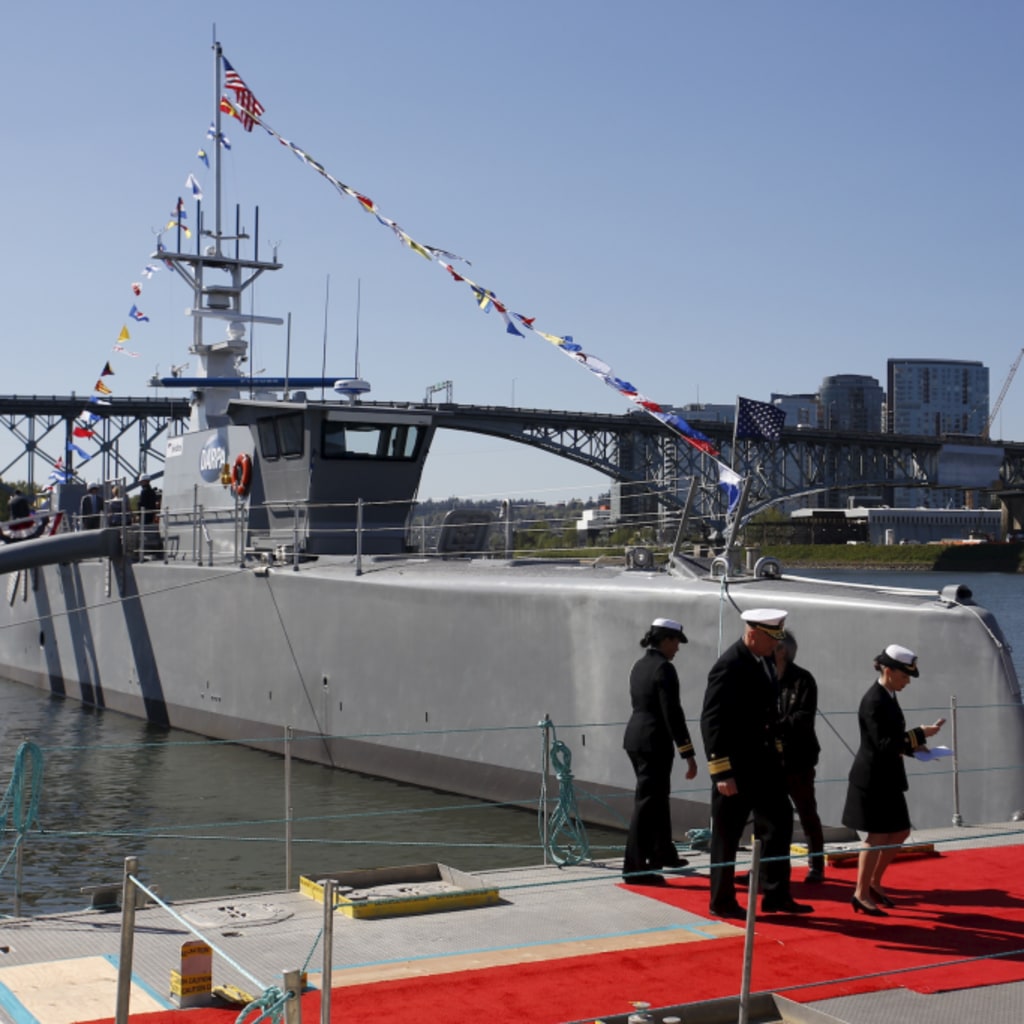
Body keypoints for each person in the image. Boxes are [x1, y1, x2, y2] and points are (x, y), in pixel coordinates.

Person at [700, 608, 813, 919]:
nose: (776, 646)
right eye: (771, 639)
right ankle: (722, 901)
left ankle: (776, 893)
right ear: (752, 634)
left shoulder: (763, 660)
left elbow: (768, 714)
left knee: (779, 824)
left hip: (764, 765)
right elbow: (712, 721)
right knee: (727, 836)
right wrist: (721, 772)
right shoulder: (729, 666)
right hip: (735, 767)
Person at [842, 644, 945, 916]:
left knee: (900, 831)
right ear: (888, 670)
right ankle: (860, 893)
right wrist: (918, 734)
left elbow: (893, 739)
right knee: (876, 837)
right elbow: (883, 744)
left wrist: (916, 748)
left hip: (888, 778)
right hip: (873, 779)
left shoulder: (888, 695)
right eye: (904, 675)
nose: (907, 681)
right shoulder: (873, 701)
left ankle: (874, 882)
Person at [622, 617, 698, 886]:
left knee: (658, 797)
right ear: (666, 640)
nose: (677, 648)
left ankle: (663, 852)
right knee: (646, 803)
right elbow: (672, 713)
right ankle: (634, 868)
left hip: (636, 738)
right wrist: (688, 753)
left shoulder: (639, 665)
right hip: (654, 742)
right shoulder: (664, 669)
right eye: (676, 642)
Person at [774, 630, 825, 883]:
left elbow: (803, 718)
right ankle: (767, 868)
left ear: (782, 651)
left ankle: (816, 865)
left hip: (798, 759)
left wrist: (772, 726)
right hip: (770, 760)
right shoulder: (764, 676)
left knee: (807, 812)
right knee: (769, 818)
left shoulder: (803, 680)